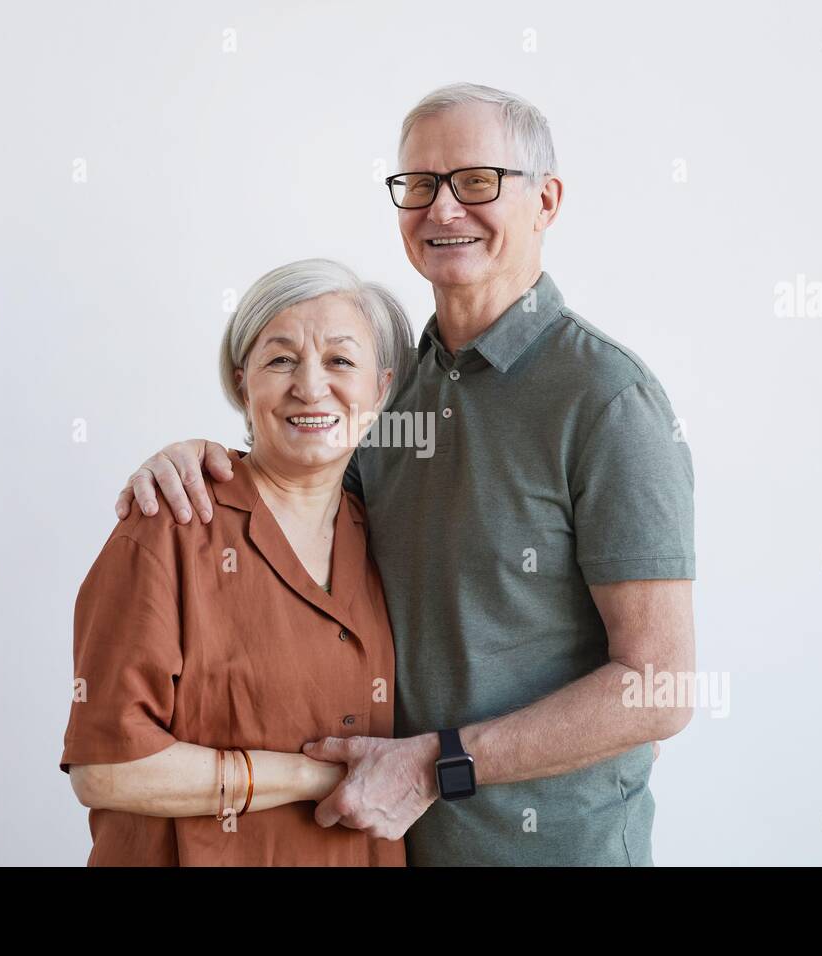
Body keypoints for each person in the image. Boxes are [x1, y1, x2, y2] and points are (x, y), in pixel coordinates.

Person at [115, 83, 697, 866]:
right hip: (389, 850)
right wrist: (202, 459)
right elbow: (298, 511)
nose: (443, 208)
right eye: (419, 184)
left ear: (546, 201)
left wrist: (435, 764)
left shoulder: (608, 400)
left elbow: (660, 686)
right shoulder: (389, 390)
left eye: (477, 181)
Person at [60, 258, 413, 866]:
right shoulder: (171, 522)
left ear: (380, 390)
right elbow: (106, 769)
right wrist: (313, 777)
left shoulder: (387, 537)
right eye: (281, 360)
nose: (310, 387)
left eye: (340, 361)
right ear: (241, 382)